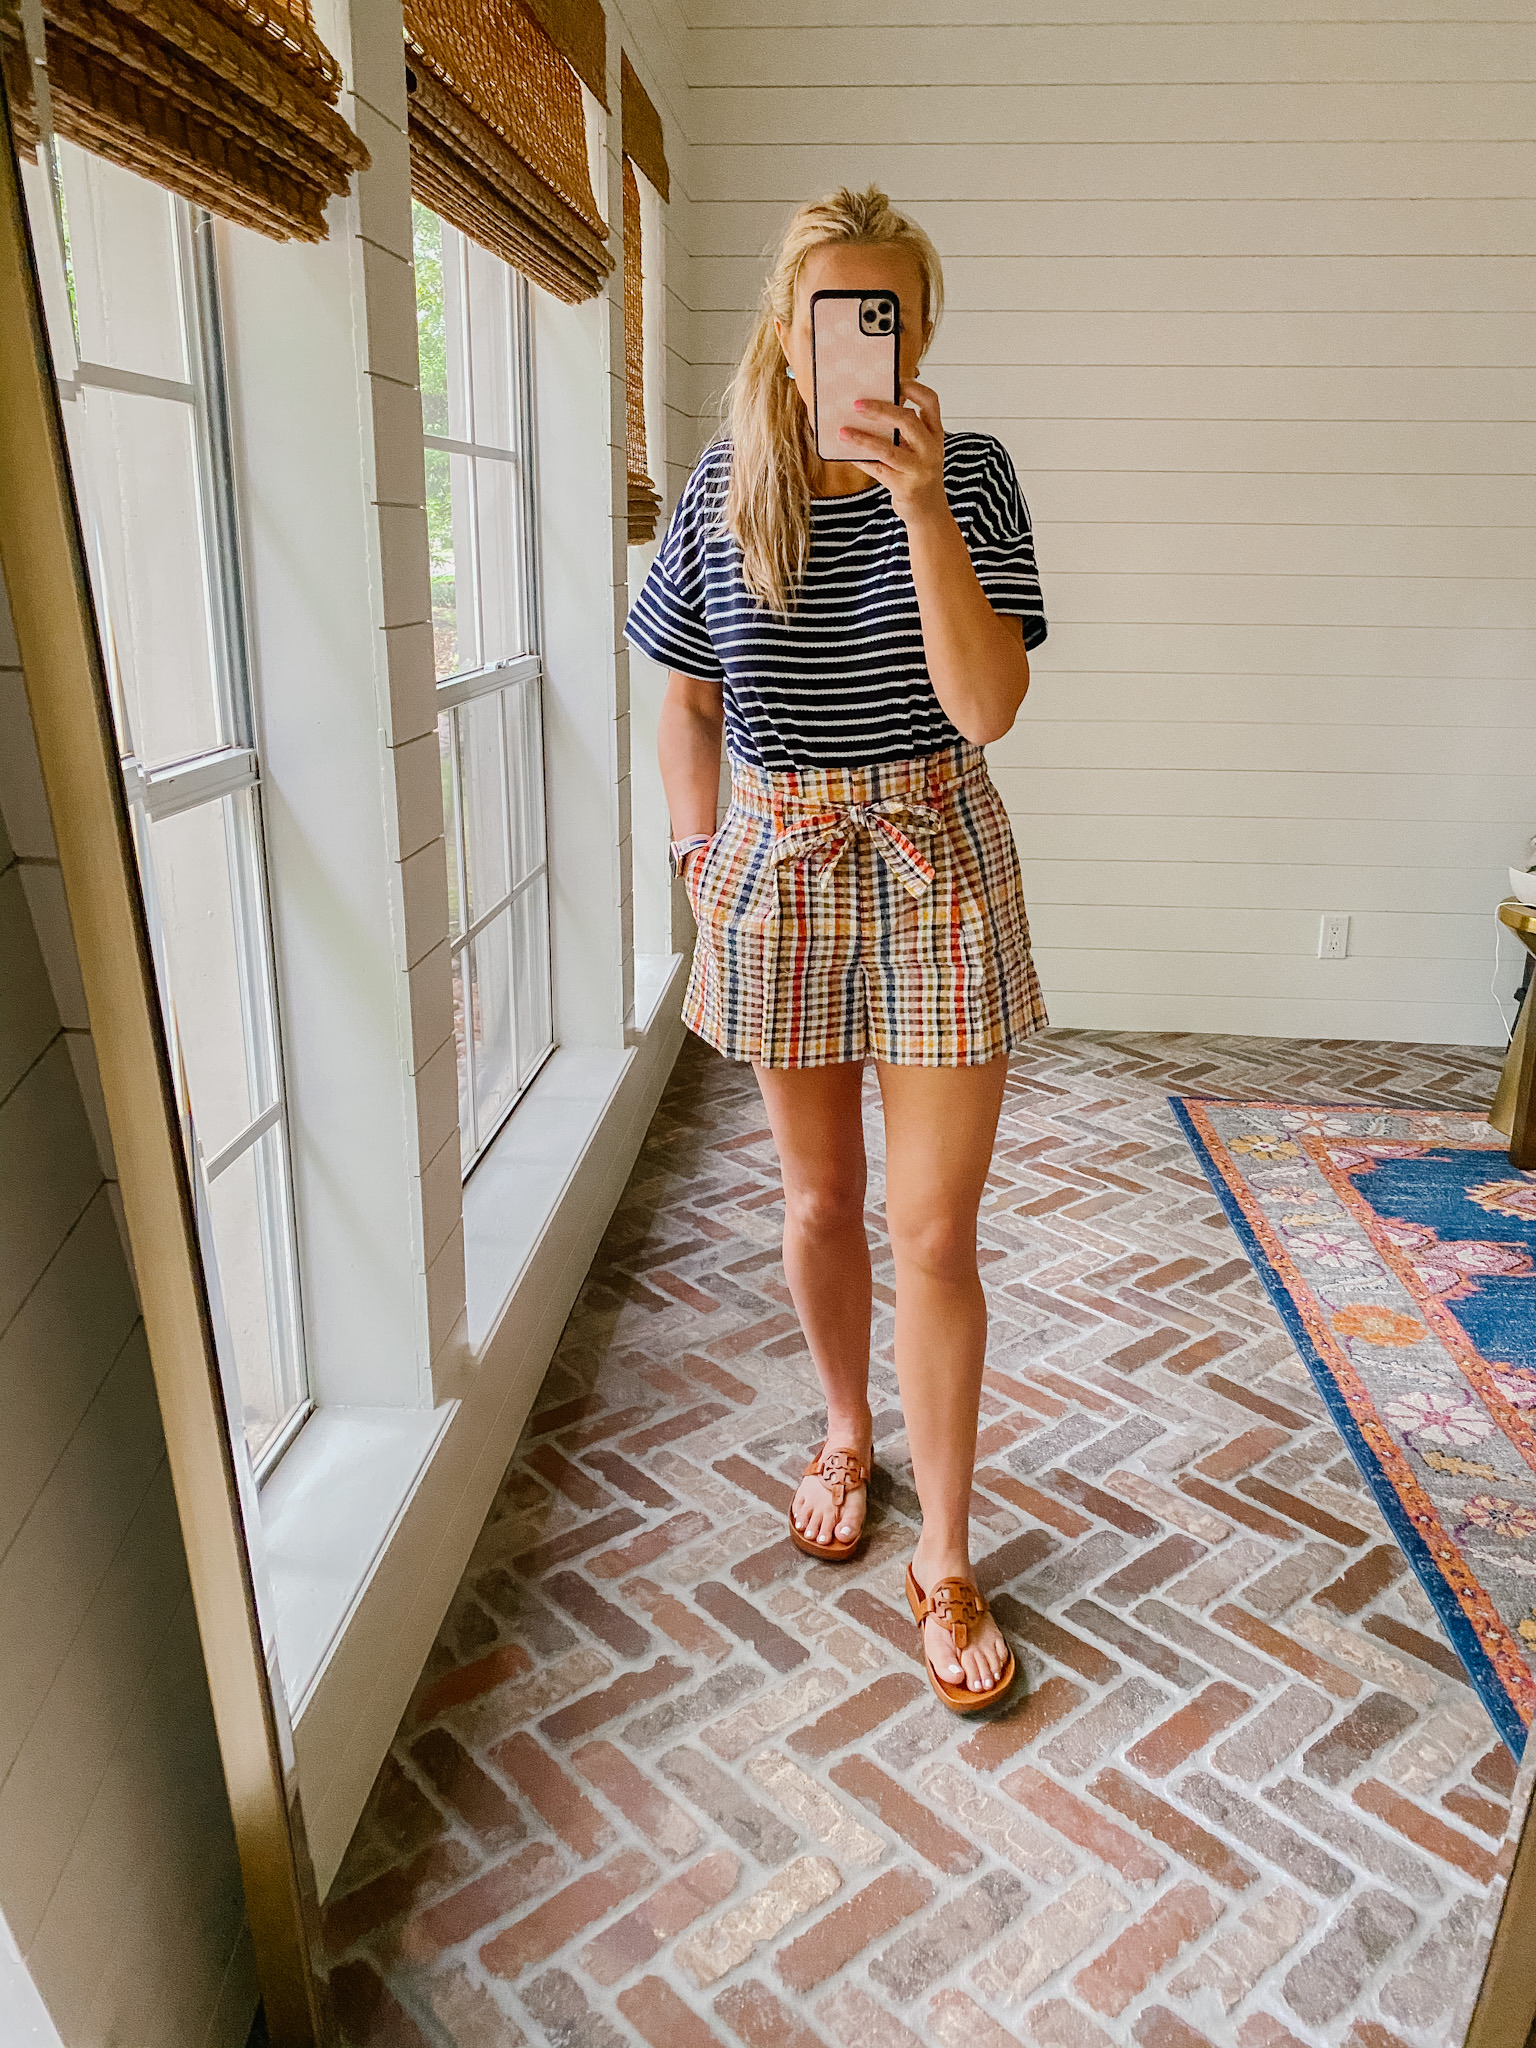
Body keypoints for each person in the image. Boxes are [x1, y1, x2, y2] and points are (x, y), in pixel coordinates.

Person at [625, 185, 1048, 1712]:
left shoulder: (977, 477)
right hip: (780, 857)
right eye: (835, 316)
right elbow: (678, 691)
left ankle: (944, 1550)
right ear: (789, 337)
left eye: (892, 316)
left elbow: (987, 704)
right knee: (820, 1197)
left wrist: (925, 506)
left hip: (938, 856)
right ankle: (841, 1433)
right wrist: (692, 845)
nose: (865, 343)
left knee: (934, 1232)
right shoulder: (720, 487)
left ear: (921, 335)